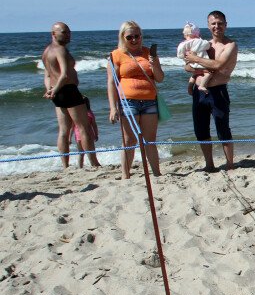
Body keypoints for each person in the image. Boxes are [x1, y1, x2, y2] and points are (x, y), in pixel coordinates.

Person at [183, 10, 239, 172]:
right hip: (199, 92)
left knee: (223, 128)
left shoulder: (230, 45)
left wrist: (196, 60)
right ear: (208, 26)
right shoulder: (203, 44)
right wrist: (192, 62)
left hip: (218, 91)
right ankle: (209, 164)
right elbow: (187, 66)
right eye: (213, 23)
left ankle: (229, 164)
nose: (217, 26)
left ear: (226, 25)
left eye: (220, 23)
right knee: (201, 130)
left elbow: (218, 65)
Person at [107, 20, 164, 178]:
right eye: (129, 37)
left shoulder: (148, 53)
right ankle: (126, 175)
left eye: (137, 36)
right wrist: (113, 107)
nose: (134, 40)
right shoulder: (116, 55)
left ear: (141, 36)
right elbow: (112, 83)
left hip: (149, 101)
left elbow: (160, 78)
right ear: (122, 37)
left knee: (150, 140)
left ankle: (157, 173)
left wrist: (155, 65)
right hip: (128, 101)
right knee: (129, 140)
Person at [42, 22, 100, 169]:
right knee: (84, 128)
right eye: (64, 32)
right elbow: (65, 74)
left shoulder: (46, 51)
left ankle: (65, 166)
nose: (68, 35)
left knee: (63, 130)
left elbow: (48, 74)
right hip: (67, 90)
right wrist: (54, 90)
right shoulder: (60, 50)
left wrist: (49, 89)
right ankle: (94, 163)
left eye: (69, 32)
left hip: (57, 92)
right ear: (54, 34)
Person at [177, 22, 212, 94]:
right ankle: (202, 85)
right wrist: (209, 43)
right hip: (199, 63)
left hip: (190, 63)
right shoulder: (198, 41)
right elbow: (207, 45)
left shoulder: (182, 44)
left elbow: (179, 55)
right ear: (197, 34)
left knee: (194, 74)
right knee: (208, 73)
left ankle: (190, 88)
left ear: (185, 34)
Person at [71, 95, 99, 168]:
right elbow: (94, 125)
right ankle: (94, 164)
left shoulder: (76, 114)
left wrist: (69, 137)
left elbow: (72, 126)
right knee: (92, 151)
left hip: (78, 136)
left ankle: (80, 167)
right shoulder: (89, 113)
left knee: (81, 153)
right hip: (88, 135)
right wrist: (96, 134)